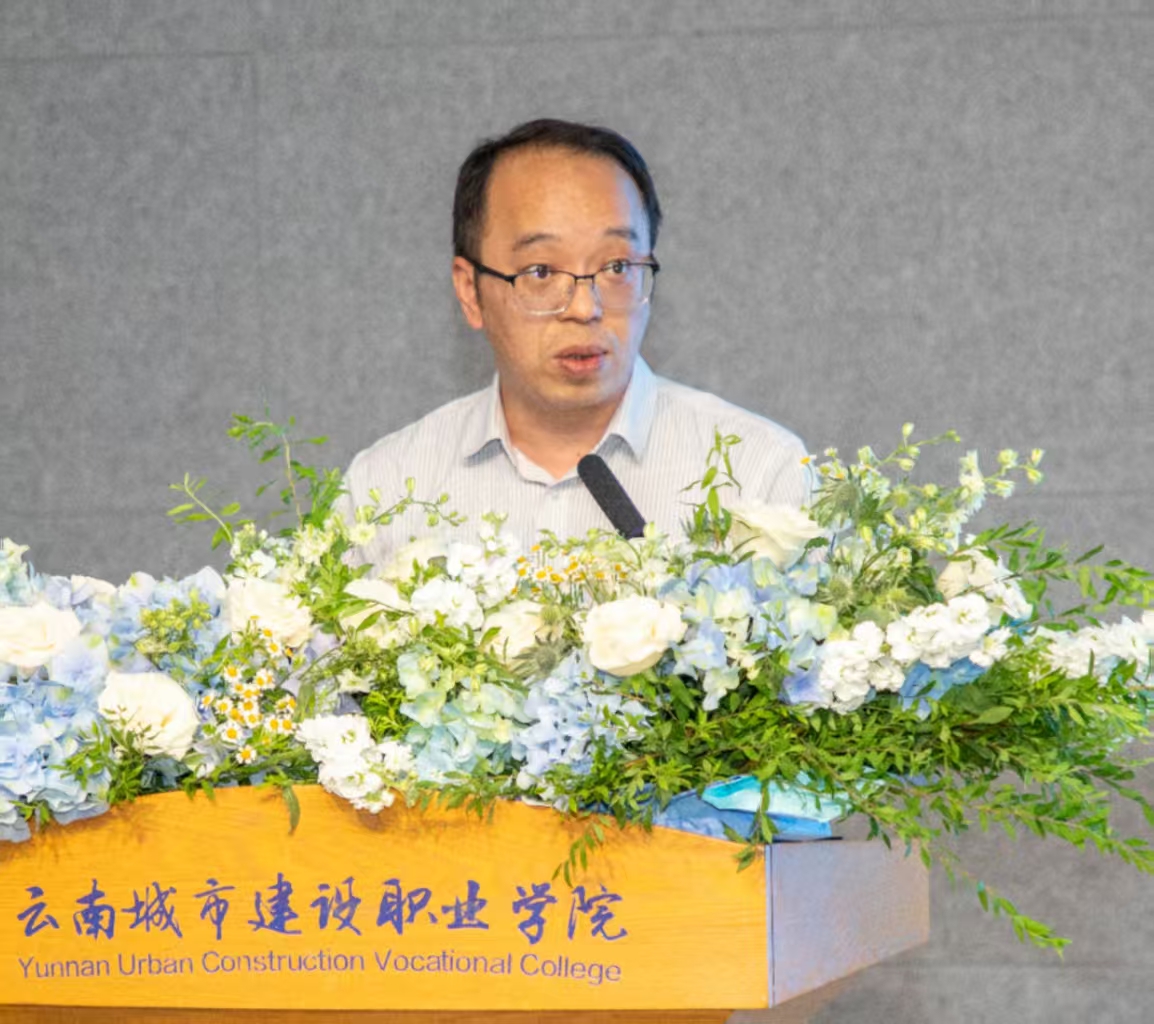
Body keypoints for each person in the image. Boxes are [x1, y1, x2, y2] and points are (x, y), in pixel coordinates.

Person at [341, 119, 808, 566]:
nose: (585, 307)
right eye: (541, 272)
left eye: (617, 268)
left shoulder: (761, 478)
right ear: (470, 291)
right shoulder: (385, 493)